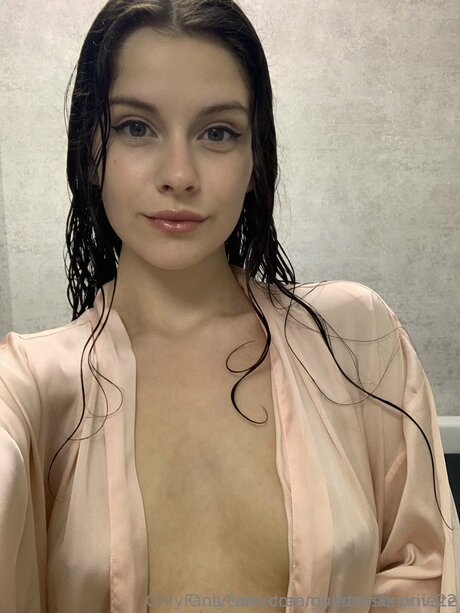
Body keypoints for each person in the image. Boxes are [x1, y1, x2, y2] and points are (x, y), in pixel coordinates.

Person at [0, 0, 458, 611]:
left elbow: (425, 575)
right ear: (91, 150)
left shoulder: (356, 337)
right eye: (136, 127)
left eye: (217, 132)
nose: (179, 175)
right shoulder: (27, 387)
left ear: (255, 157)